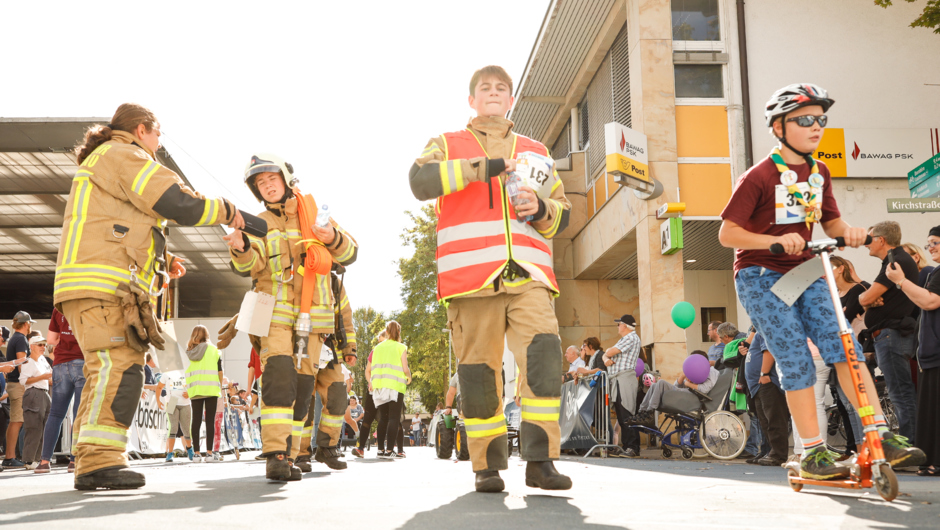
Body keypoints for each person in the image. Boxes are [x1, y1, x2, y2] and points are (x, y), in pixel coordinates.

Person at [718, 83, 924, 480]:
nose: (817, 127)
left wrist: (850, 232)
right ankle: (813, 453)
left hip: (807, 268)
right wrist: (774, 240)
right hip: (760, 275)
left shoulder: (818, 172)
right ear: (779, 127)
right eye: (806, 119)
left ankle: (879, 434)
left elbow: (830, 222)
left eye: (821, 120)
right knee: (796, 358)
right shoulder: (758, 176)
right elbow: (728, 234)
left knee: (842, 344)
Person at [56, 103, 244, 490]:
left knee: (106, 371)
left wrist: (161, 259)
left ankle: (94, 459)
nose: (159, 144)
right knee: (119, 369)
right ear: (142, 130)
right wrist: (226, 209)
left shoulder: (105, 158)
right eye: (158, 135)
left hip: (91, 284)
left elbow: (118, 222)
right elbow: (173, 201)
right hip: (105, 287)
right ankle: (99, 462)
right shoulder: (125, 154)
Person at [409, 65, 572, 493]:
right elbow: (420, 181)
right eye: (486, 88)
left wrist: (539, 209)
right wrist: (481, 167)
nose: (494, 92)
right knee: (479, 375)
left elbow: (562, 212)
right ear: (472, 100)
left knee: (544, 360)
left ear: (511, 98)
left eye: (502, 87)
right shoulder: (448, 144)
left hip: (530, 275)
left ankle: (541, 461)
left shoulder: (536, 150)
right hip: (471, 278)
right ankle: (486, 466)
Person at [226, 153, 358, 480]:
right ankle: (276, 455)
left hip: (314, 319)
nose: (267, 186)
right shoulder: (255, 222)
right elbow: (249, 267)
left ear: (285, 180)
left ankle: (308, 449)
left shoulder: (315, 216)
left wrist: (332, 239)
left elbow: (352, 253)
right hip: (274, 315)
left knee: (302, 387)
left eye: (272, 179)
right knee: (279, 378)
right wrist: (241, 247)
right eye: (260, 183)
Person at [858, 221, 920, 442]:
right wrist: (870, 300)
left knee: (901, 394)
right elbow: (871, 299)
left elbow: (865, 298)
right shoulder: (896, 259)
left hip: (891, 336)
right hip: (889, 336)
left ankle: (910, 446)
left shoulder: (895, 261)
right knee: (900, 393)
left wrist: (865, 300)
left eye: (869, 239)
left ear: (881, 240)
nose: (866, 244)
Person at [886, 226, 940, 476]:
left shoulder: (936, 272)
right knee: (929, 407)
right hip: (930, 352)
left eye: (935, 242)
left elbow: (930, 301)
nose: (932, 248)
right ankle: (931, 459)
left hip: (936, 352)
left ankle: (934, 462)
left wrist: (901, 281)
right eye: (928, 243)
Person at [34, 308, 85, 474]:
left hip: (61, 363)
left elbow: (51, 339)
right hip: (82, 362)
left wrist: (66, 339)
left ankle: (44, 462)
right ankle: (74, 461)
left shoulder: (59, 309)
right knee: (79, 413)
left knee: (55, 414)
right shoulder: (87, 304)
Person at [742, 333, 790, 466]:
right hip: (758, 386)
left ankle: (778, 455)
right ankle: (771, 452)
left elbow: (769, 350)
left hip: (767, 383)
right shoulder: (758, 332)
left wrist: (764, 374)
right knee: (765, 422)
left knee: (774, 420)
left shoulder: (765, 328)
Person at [604, 315, 642, 458]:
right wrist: (605, 357)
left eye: (618, 324)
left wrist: (606, 356)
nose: (618, 327)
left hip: (624, 379)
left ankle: (633, 447)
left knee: (627, 412)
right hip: (619, 379)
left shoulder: (631, 338)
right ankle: (627, 446)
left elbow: (609, 353)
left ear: (625, 325)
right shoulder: (625, 339)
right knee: (621, 414)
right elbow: (606, 355)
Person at [371, 321, 411, 458]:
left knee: (383, 418)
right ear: (399, 332)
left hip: (379, 386)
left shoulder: (377, 348)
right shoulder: (401, 347)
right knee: (394, 418)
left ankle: (380, 450)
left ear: (386, 332)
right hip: (395, 386)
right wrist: (409, 377)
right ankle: (389, 451)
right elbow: (405, 368)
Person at [184, 325, 223, 464]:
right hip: (211, 389)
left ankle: (196, 454)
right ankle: (210, 453)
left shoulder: (189, 350)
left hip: (195, 390)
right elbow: (220, 371)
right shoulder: (215, 350)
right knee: (210, 421)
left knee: (196, 420)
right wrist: (220, 385)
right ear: (207, 335)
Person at [637, 350, 719, 413]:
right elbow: (676, 386)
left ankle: (650, 412)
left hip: (696, 397)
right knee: (655, 385)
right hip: (688, 392)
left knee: (661, 383)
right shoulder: (695, 371)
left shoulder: (711, 371)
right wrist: (683, 376)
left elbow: (705, 389)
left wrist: (688, 384)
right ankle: (642, 411)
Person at [3, 311, 34, 469]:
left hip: (13, 384)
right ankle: (10, 457)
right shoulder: (21, 339)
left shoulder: (16, 338)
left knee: (15, 420)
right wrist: (26, 381)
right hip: (18, 385)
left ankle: (10, 456)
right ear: (27, 324)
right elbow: (22, 364)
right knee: (17, 420)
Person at [352, 330, 387, 458]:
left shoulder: (393, 352)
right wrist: (370, 381)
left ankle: (381, 449)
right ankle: (360, 448)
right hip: (373, 390)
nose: (379, 343)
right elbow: (367, 371)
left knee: (384, 419)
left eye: (381, 339)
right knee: (367, 419)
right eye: (378, 341)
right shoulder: (375, 351)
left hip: (387, 390)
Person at [20, 334, 52, 468]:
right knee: (34, 428)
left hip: (45, 393)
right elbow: (23, 381)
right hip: (33, 394)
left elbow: (50, 376)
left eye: (44, 345)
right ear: (32, 347)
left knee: (44, 428)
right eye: (40, 345)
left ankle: (37, 459)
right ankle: (29, 460)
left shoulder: (43, 360)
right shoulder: (28, 361)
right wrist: (43, 377)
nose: (43, 347)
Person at [159, 370, 194, 463]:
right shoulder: (167, 373)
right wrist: (159, 401)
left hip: (185, 403)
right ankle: (169, 453)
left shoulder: (187, 371)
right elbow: (159, 387)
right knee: (173, 427)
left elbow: (195, 386)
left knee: (186, 428)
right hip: (172, 402)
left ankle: (190, 449)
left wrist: (190, 393)